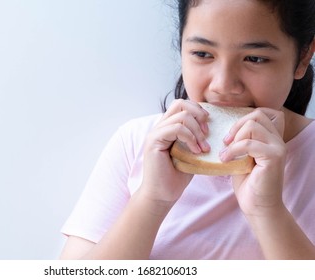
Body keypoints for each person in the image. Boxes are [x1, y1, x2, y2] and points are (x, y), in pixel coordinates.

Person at [60, 0, 315, 259]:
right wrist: (152, 199)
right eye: (203, 54)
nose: (222, 85)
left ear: (303, 57)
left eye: (255, 58)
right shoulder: (136, 142)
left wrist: (266, 211)